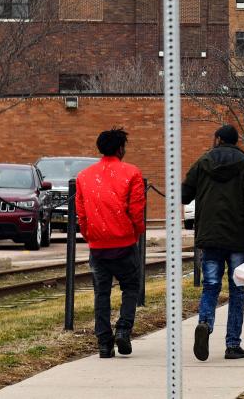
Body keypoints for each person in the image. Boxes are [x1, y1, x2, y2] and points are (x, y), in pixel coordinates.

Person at [182, 125, 244, 362]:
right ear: (235, 141)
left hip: (209, 236)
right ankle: (232, 345)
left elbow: (185, 195)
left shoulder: (203, 162)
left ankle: (205, 324)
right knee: (237, 290)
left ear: (218, 139)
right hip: (237, 239)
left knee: (211, 286)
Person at [75, 128, 146, 359]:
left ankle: (104, 344)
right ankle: (123, 328)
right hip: (124, 242)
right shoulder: (131, 173)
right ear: (120, 149)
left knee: (101, 293)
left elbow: (81, 214)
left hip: (98, 245)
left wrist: (89, 234)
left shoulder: (84, 176)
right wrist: (137, 232)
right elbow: (137, 210)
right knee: (131, 287)